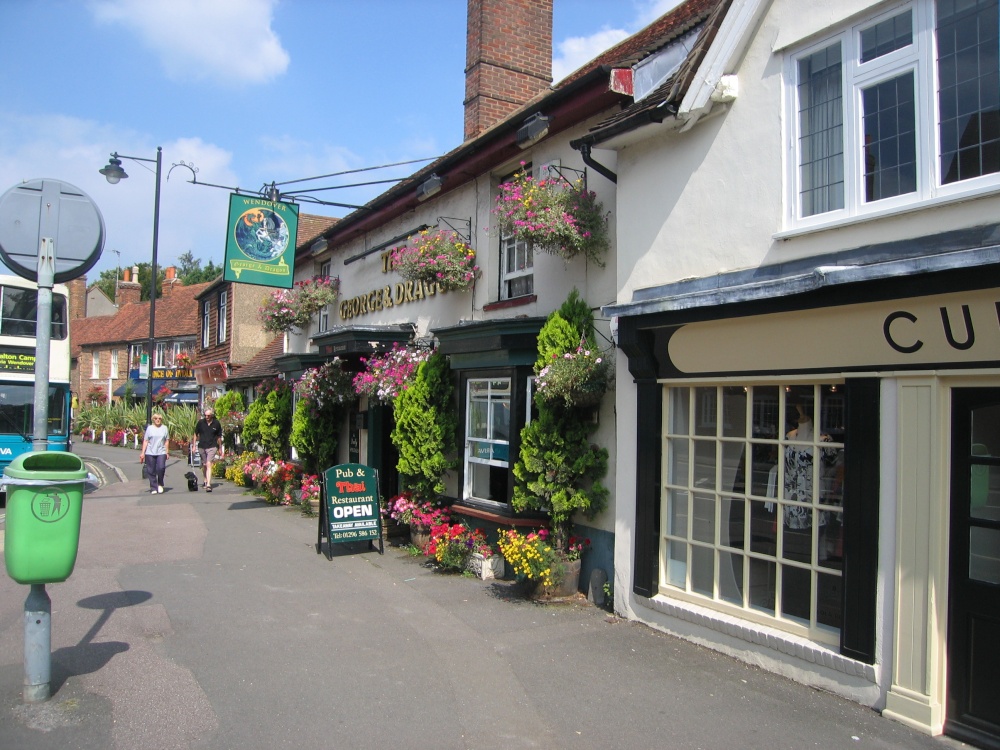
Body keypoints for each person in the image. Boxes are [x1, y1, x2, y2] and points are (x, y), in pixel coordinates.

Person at [192, 407, 224, 492]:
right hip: (202, 446)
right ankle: (205, 479)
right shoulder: (200, 423)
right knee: (205, 464)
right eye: (205, 415)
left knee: (209, 463)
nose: (207, 417)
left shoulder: (216, 423)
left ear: (212, 415)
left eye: (208, 415)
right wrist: (194, 446)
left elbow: (219, 436)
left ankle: (209, 484)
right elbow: (195, 433)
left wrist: (220, 448)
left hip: (212, 446)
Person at [140, 412, 169, 494]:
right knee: (151, 470)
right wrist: (142, 453)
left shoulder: (165, 428)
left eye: (159, 419)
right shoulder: (149, 428)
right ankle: (153, 487)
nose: (158, 420)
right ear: (153, 420)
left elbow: (167, 441)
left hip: (161, 451)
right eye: (156, 418)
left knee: (161, 468)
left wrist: (167, 452)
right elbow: (145, 441)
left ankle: (160, 483)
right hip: (150, 452)